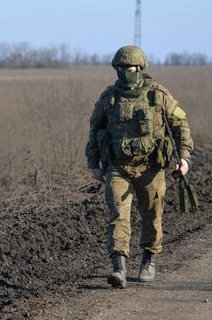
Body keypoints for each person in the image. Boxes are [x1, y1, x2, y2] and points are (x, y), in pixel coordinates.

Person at [85, 45, 193, 289]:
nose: (126, 72)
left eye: (130, 68)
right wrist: (93, 164)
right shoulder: (109, 97)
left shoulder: (158, 95)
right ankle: (119, 266)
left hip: (150, 167)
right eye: (121, 68)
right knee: (118, 216)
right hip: (117, 167)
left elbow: (180, 125)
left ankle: (148, 259)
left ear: (141, 68)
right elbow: (94, 129)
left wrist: (183, 158)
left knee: (151, 216)